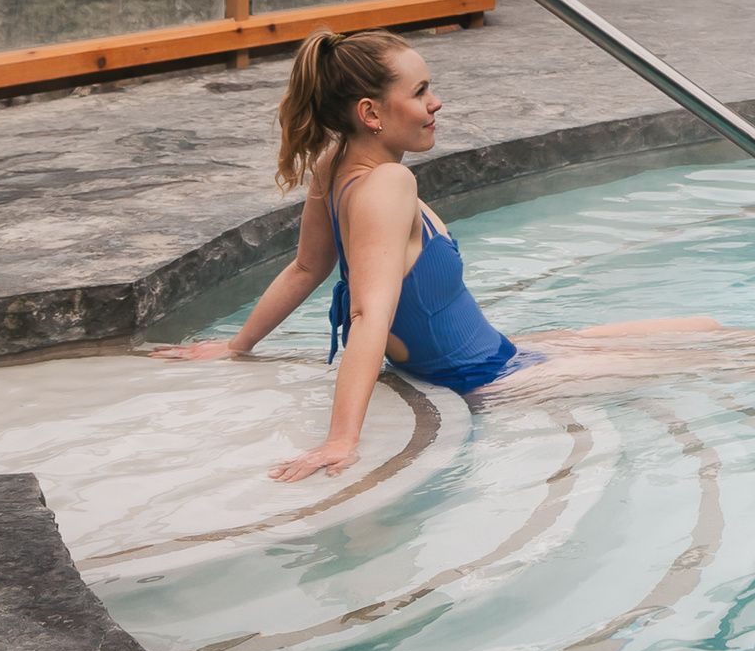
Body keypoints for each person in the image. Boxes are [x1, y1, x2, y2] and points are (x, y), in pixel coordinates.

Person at [150, 26, 522, 481]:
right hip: (485, 380)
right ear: (370, 112)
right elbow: (368, 315)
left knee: (622, 335)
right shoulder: (389, 184)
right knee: (638, 355)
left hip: (494, 357)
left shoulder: (336, 164)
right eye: (420, 91)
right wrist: (341, 439)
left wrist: (236, 345)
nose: (435, 102)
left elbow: (307, 266)